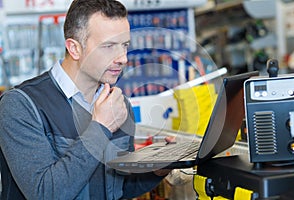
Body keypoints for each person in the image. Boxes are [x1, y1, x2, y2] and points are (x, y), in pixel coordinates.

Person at [0, 0, 170, 199]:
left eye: (124, 45)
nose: (122, 58)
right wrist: (100, 128)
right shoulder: (20, 105)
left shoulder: (118, 104)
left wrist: (158, 169)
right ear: (74, 49)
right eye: (109, 46)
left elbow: (120, 187)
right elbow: (45, 193)